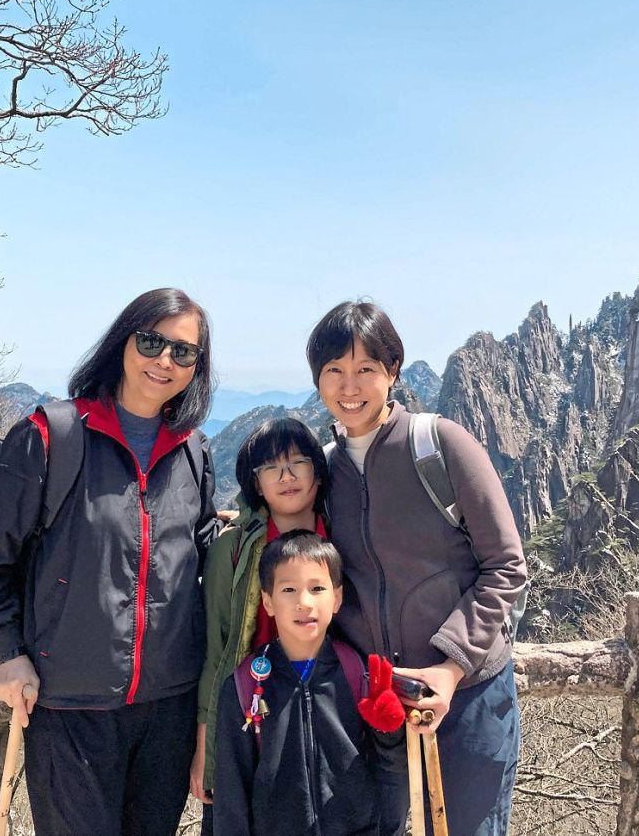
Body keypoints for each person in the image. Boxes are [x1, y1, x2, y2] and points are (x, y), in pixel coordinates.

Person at [0, 288, 219, 836]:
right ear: (123, 343)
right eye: (151, 342)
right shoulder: (52, 436)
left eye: (183, 351)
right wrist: (9, 651)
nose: (165, 360)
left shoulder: (192, 451)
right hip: (70, 706)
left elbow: (206, 558)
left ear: (197, 366)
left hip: (168, 709)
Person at [305, 300, 528, 836]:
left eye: (365, 368)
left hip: (467, 695)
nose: (349, 386)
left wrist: (450, 668)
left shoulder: (439, 445)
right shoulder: (325, 470)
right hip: (376, 706)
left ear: (392, 371)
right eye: (334, 370)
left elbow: (506, 565)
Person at [190, 418, 330, 835]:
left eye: (297, 463)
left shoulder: (341, 538)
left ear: (317, 472)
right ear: (256, 482)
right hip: (248, 721)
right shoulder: (232, 549)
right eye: (270, 467)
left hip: (328, 715)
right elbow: (217, 651)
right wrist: (206, 752)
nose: (286, 477)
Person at [211, 530, 384, 836]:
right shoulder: (244, 685)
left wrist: (391, 732)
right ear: (268, 602)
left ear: (337, 598)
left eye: (317, 588)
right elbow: (231, 792)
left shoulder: (356, 672)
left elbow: (386, 766)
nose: (304, 602)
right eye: (289, 589)